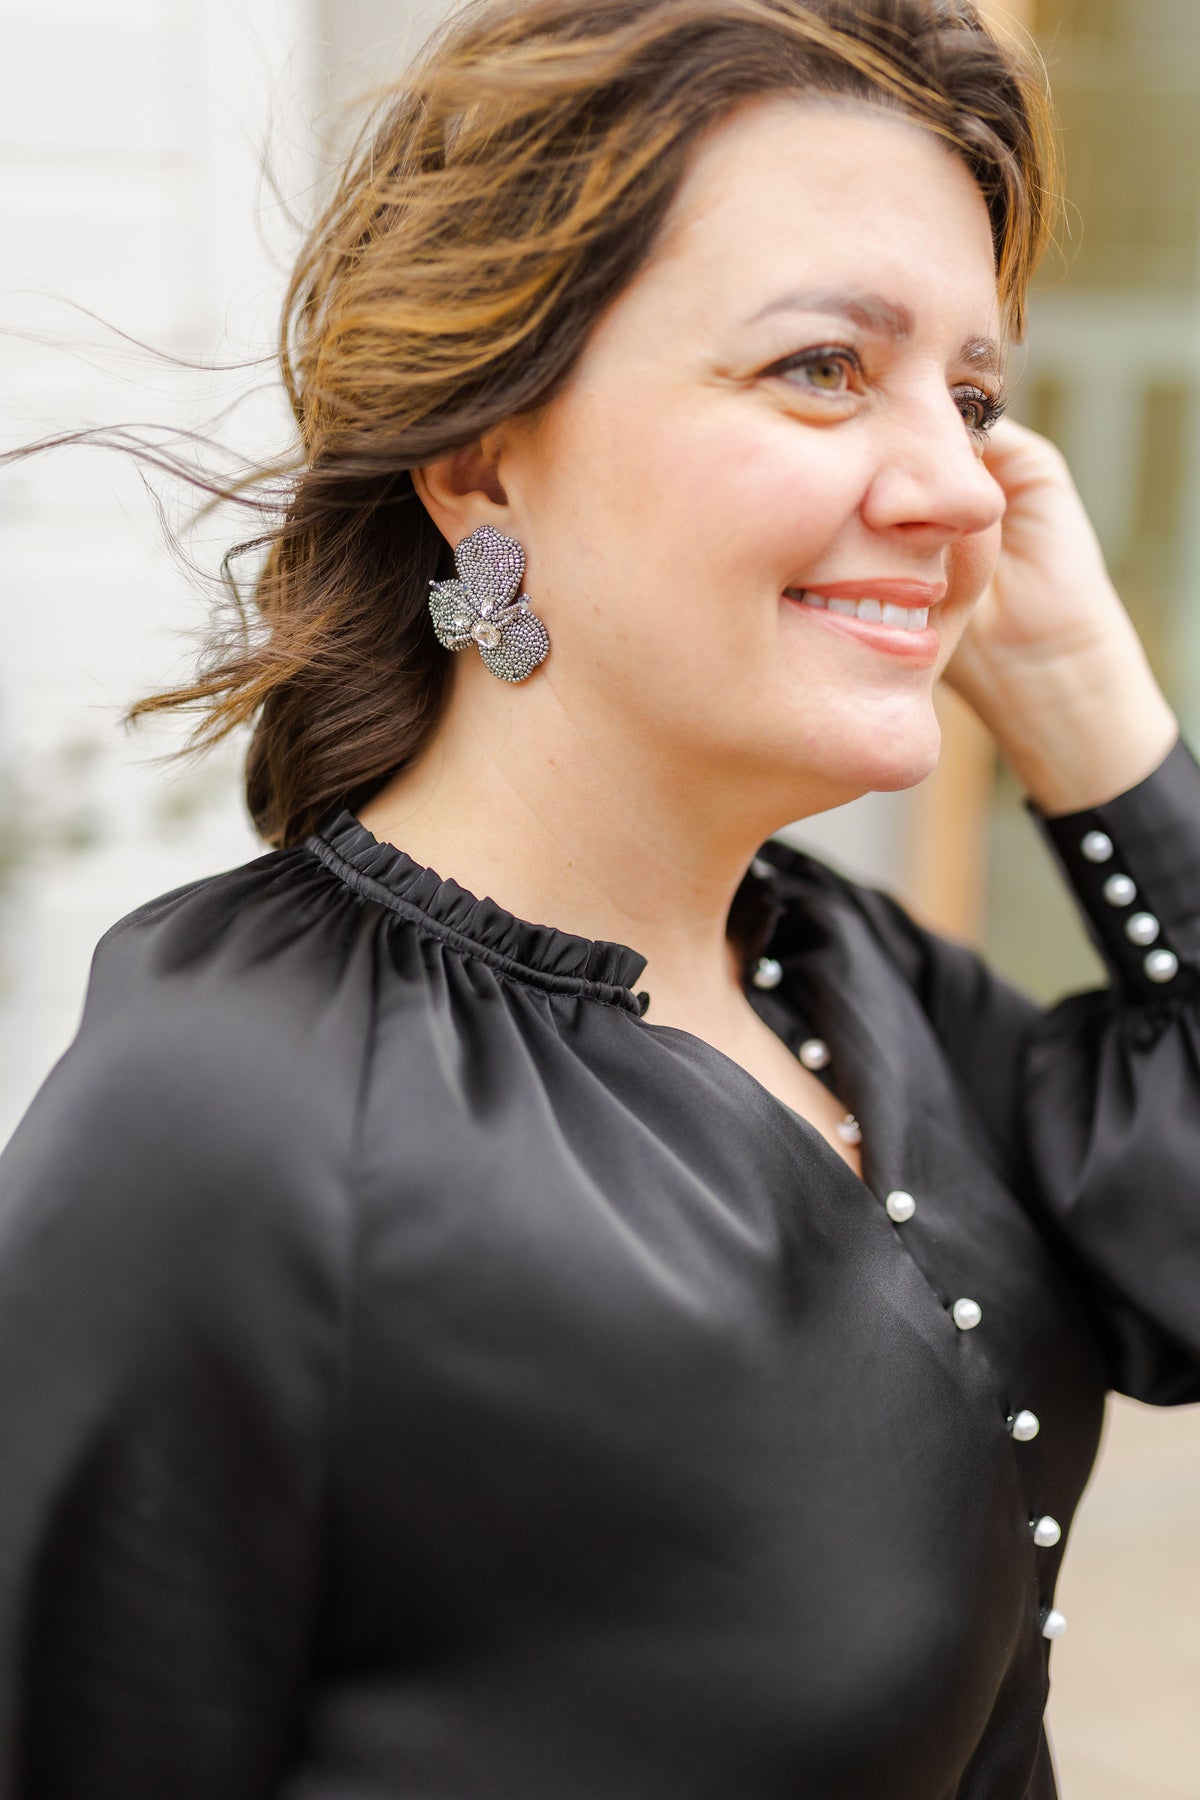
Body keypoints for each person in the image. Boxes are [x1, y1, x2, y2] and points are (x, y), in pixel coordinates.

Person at [0, 0, 1196, 1794]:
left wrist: (1098, 720)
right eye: (823, 366)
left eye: (971, 397)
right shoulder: (235, 1115)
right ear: (484, 458)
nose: (964, 487)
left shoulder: (859, 980)